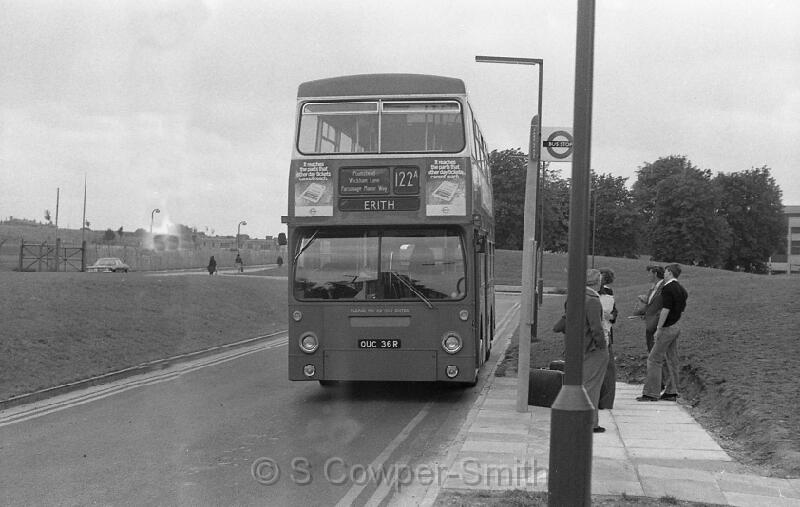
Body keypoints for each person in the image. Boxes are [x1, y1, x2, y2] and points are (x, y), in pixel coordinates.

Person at [554, 269, 609, 433]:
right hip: (591, 349)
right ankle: (590, 422)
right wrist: (603, 345)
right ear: (597, 282)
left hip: (576, 347)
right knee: (592, 385)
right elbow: (596, 328)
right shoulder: (592, 300)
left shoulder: (575, 296)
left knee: (580, 384)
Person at [637, 263, 688, 402]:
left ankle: (651, 393)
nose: (664, 274)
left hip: (667, 328)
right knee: (672, 359)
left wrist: (659, 328)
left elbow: (665, 309)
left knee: (654, 359)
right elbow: (681, 309)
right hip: (676, 326)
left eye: (665, 272)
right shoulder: (682, 289)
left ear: (670, 272)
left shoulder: (667, 288)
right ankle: (672, 392)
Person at [633, 265, 668, 389]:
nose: (648, 276)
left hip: (656, 325)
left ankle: (660, 382)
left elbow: (663, 306)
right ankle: (658, 381)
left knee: (656, 355)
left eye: (650, 273)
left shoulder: (664, 287)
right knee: (652, 353)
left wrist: (655, 320)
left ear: (655, 274)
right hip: (650, 324)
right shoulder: (653, 288)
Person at [597, 268, 618, 410]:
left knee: (608, 368)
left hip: (605, 332)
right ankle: (602, 400)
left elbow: (614, 311)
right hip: (600, 332)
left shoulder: (608, 293)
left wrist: (611, 316)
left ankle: (605, 401)